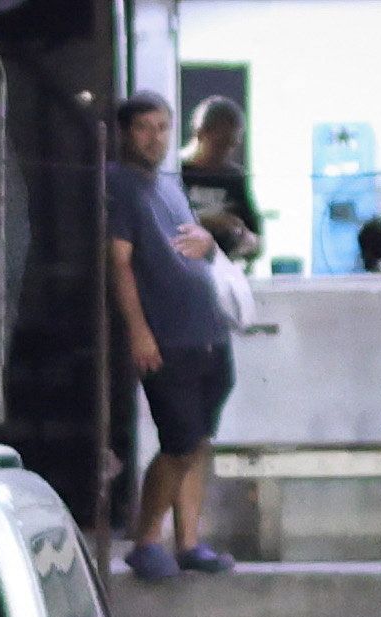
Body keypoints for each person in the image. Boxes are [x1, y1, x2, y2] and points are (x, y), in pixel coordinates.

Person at [106, 93, 236, 581]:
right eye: (144, 127)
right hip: (167, 338)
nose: (155, 137)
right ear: (125, 133)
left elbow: (192, 239)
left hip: (207, 331)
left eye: (162, 127)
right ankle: (144, 541)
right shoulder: (120, 186)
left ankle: (188, 542)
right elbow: (119, 262)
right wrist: (139, 331)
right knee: (178, 441)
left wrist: (207, 240)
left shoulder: (168, 184)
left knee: (199, 439)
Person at [180, 97, 266, 262]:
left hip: (222, 265)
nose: (226, 152)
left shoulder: (234, 178)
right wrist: (209, 221)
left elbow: (257, 239)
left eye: (232, 144)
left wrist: (244, 239)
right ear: (200, 133)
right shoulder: (177, 171)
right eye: (219, 144)